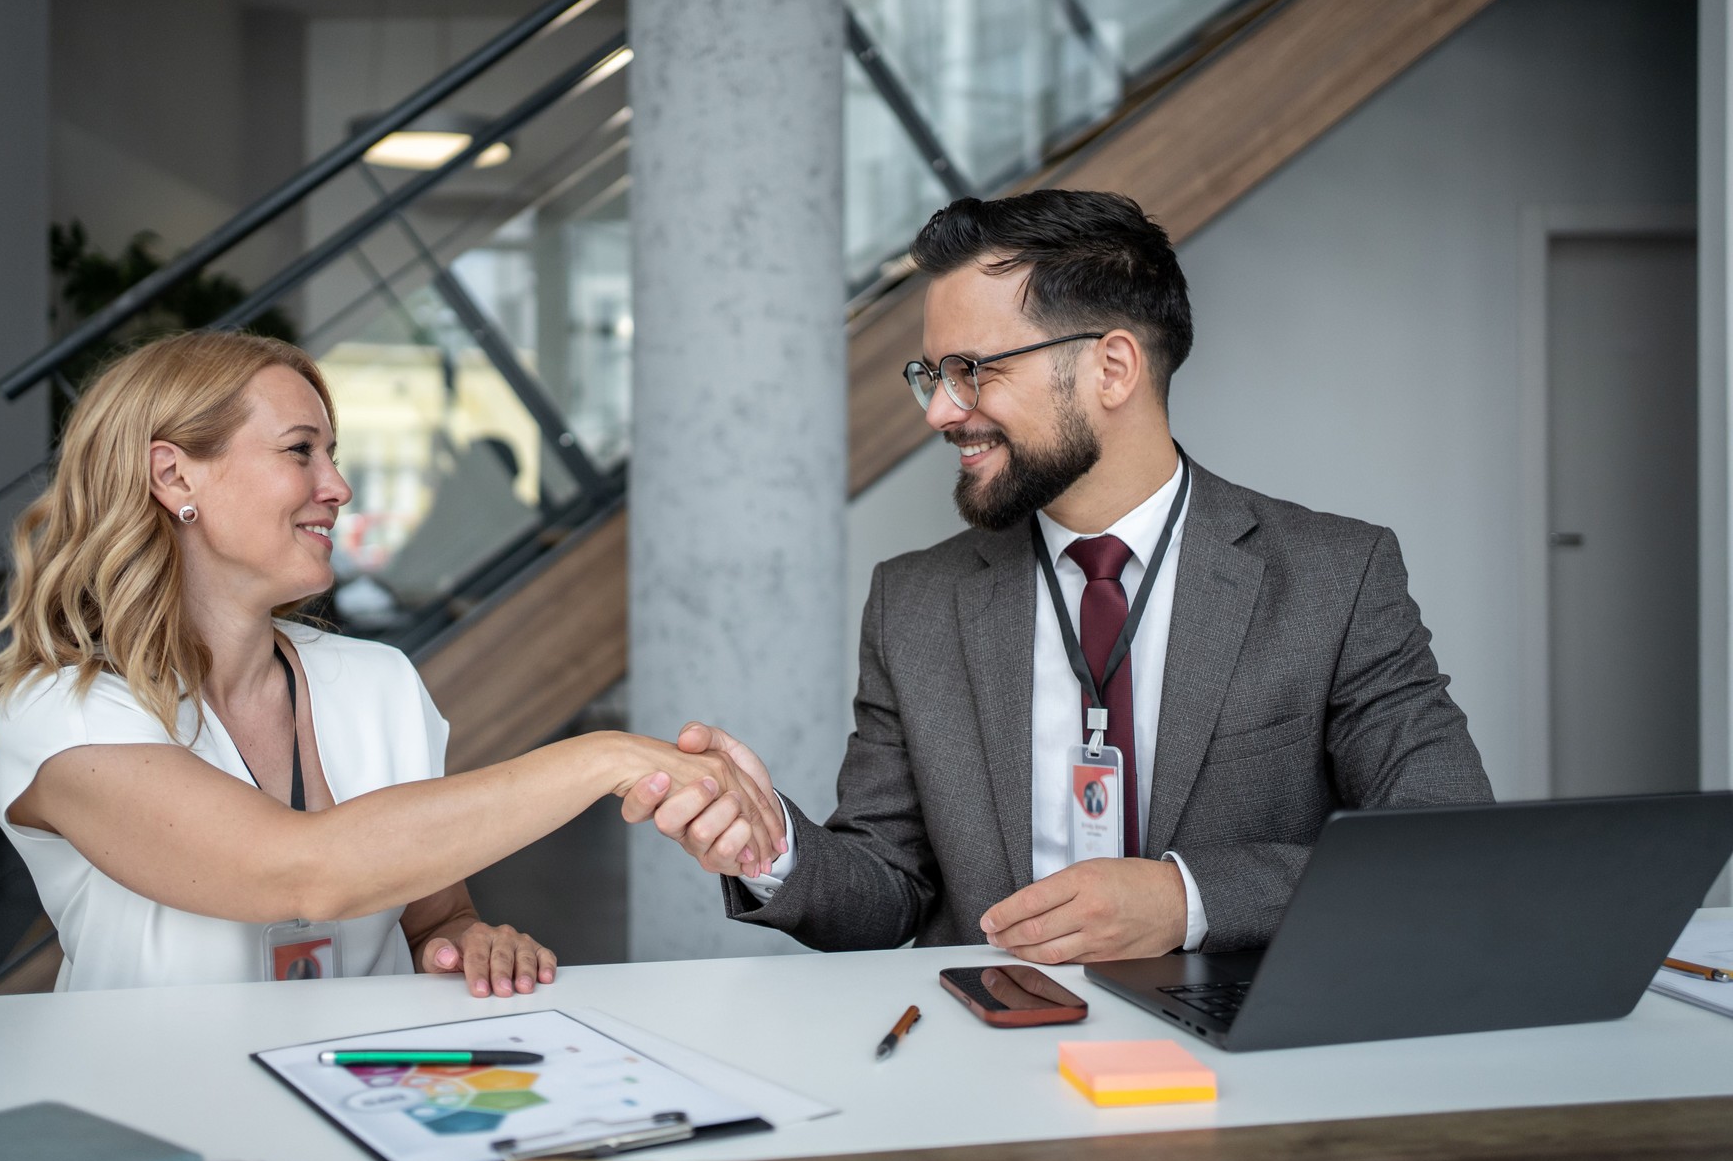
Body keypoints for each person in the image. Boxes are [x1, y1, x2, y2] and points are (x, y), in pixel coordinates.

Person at [625, 190, 1493, 962]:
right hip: (993, 1049)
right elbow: (889, 890)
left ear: (1112, 368)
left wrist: (1187, 901)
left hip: (1243, 1045)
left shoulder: (1335, 578)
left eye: (971, 371)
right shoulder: (912, 603)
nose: (940, 411)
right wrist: (775, 846)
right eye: (932, 375)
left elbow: (1444, 845)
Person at [0, 332, 781, 992]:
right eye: (300, 451)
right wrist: (606, 756)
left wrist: (466, 940)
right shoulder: (65, 710)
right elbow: (300, 873)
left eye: (334, 453)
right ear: (174, 475)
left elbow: (432, 917)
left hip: (369, 1099)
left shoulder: (378, 682)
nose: (338, 486)